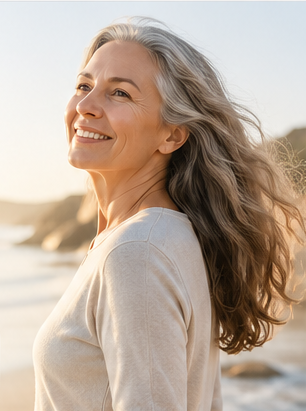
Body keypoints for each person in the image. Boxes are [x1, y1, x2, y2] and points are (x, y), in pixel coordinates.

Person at [33, 17, 305, 411]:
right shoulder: (159, 239)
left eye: (120, 94)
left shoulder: (138, 252)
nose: (86, 106)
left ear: (172, 134)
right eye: (83, 85)